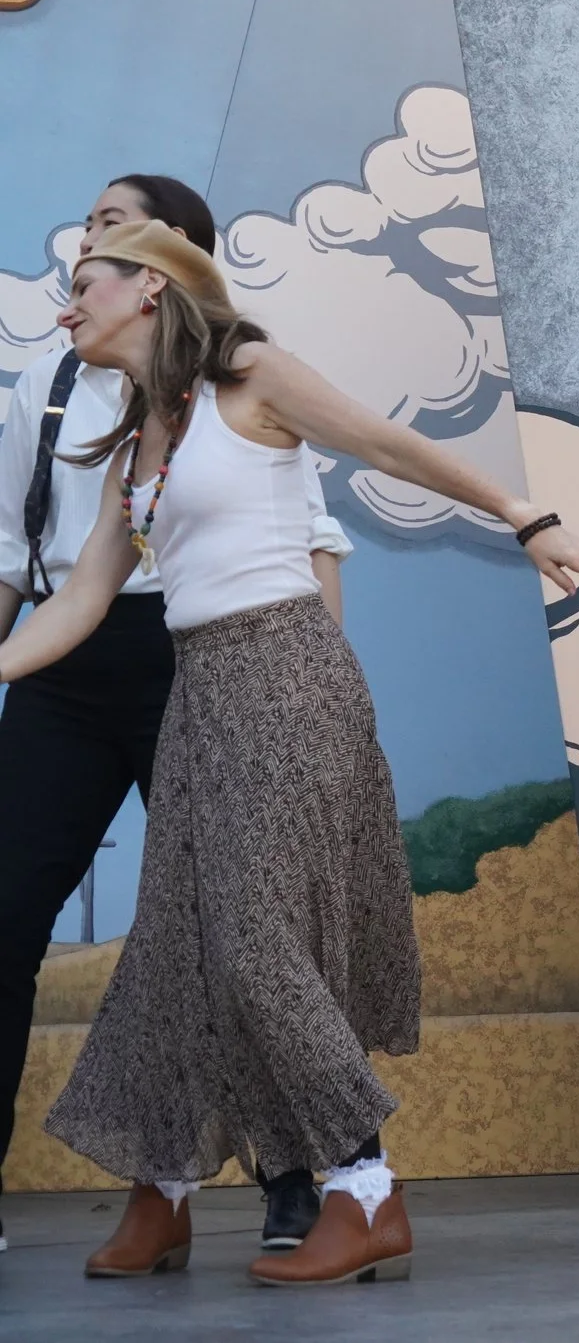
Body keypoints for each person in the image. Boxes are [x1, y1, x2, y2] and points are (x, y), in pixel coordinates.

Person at [0, 219, 579, 1287]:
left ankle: (364, 1190)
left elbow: (386, 443)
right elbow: (85, 596)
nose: (69, 304)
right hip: (200, 690)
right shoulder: (140, 440)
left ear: (150, 288)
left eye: (86, 283)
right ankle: (165, 1187)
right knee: (178, 947)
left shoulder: (250, 376)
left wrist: (526, 515)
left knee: (253, 945)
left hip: (285, 675)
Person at [0, 176, 352, 1260]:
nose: (87, 242)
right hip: (63, 664)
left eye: (114, 225)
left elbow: (314, 540)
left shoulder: (242, 381)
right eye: (88, 224)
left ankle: (294, 1180)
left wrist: (314, 697)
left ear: (166, 268)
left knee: (238, 923)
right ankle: (137, 1189)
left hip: (200, 655)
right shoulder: (45, 385)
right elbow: (15, 560)